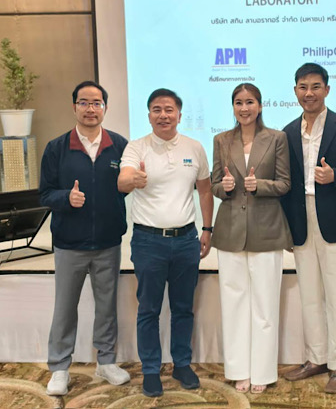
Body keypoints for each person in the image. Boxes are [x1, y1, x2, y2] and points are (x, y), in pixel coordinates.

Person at [117, 88, 214, 398]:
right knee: (149, 309)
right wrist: (133, 180)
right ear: (149, 115)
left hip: (186, 239)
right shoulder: (137, 147)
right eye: (157, 109)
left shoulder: (194, 147)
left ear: (179, 115)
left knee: (183, 308)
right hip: (148, 241)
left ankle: (182, 364)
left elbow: (205, 190)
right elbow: (122, 180)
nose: (163, 115)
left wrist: (207, 229)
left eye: (169, 109)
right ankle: (150, 369)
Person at [281, 63, 336, 394]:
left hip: (335, 219)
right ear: (295, 91)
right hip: (301, 220)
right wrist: (287, 227)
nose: (309, 93)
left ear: (327, 90)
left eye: (316, 86)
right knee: (309, 295)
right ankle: (316, 358)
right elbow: (286, 184)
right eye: (303, 87)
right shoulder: (288, 131)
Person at [40, 81, 131, 396]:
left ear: (105, 108)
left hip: (108, 243)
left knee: (107, 307)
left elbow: (124, 186)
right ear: (74, 107)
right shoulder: (57, 147)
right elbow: (45, 193)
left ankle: (106, 362)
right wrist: (66, 198)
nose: (90, 109)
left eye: (96, 103)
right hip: (69, 244)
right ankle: (59, 368)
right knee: (65, 308)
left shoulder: (119, 145)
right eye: (84, 102)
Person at [211, 83, 293, 394]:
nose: (244, 108)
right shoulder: (221, 140)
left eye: (249, 102)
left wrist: (260, 185)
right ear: (233, 107)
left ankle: (262, 371)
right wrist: (224, 188)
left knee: (264, 304)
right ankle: (238, 370)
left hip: (267, 229)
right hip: (230, 230)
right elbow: (215, 184)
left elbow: (284, 183)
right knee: (233, 303)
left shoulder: (277, 138)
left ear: (260, 105)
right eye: (238, 102)